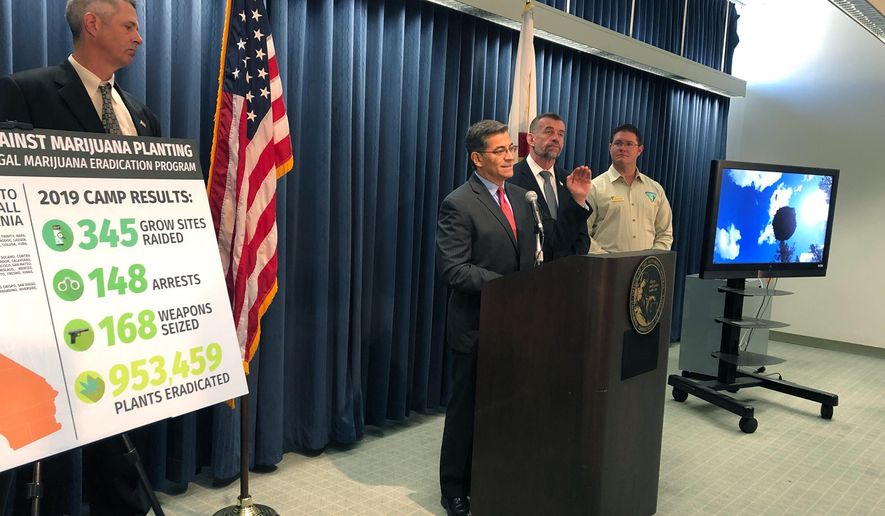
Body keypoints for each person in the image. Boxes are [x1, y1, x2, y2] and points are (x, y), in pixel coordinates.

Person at [0, 1, 157, 515]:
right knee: (43, 433)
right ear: (93, 23)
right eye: (129, 25)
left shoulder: (138, 110)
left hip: (125, 298)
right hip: (55, 301)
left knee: (119, 426)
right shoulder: (27, 90)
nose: (139, 37)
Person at [435, 120, 591, 516]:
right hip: (477, 326)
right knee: (466, 413)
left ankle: (500, 473)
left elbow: (551, 246)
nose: (510, 156)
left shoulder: (524, 198)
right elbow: (453, 269)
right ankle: (455, 488)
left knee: (510, 408)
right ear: (477, 158)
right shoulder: (459, 202)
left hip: (520, 326)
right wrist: (508, 287)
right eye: (500, 151)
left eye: (511, 149)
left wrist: (574, 203)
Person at [509, 112, 592, 257]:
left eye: (561, 134)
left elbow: (582, 237)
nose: (556, 138)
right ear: (531, 139)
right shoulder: (511, 178)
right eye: (548, 132)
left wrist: (568, 264)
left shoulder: (570, 179)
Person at [586, 123, 673, 252]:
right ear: (610, 147)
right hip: (605, 268)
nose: (623, 148)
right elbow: (583, 233)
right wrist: (605, 260)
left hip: (645, 268)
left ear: (640, 150)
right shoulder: (594, 188)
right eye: (618, 143)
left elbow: (664, 233)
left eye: (629, 144)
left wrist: (653, 260)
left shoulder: (655, 189)